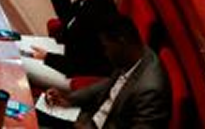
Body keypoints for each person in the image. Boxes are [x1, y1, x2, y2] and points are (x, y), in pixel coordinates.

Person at [43, 17, 171, 125]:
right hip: (89, 118)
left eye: (106, 47)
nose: (105, 53)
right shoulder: (134, 54)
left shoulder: (150, 90)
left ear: (121, 42)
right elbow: (107, 84)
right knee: (30, 113)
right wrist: (69, 99)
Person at [21, 0, 119, 92]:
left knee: (16, 62)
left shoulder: (96, 12)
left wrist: (47, 57)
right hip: (69, 55)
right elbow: (69, 22)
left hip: (79, 72)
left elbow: (82, 64)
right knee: (14, 44)